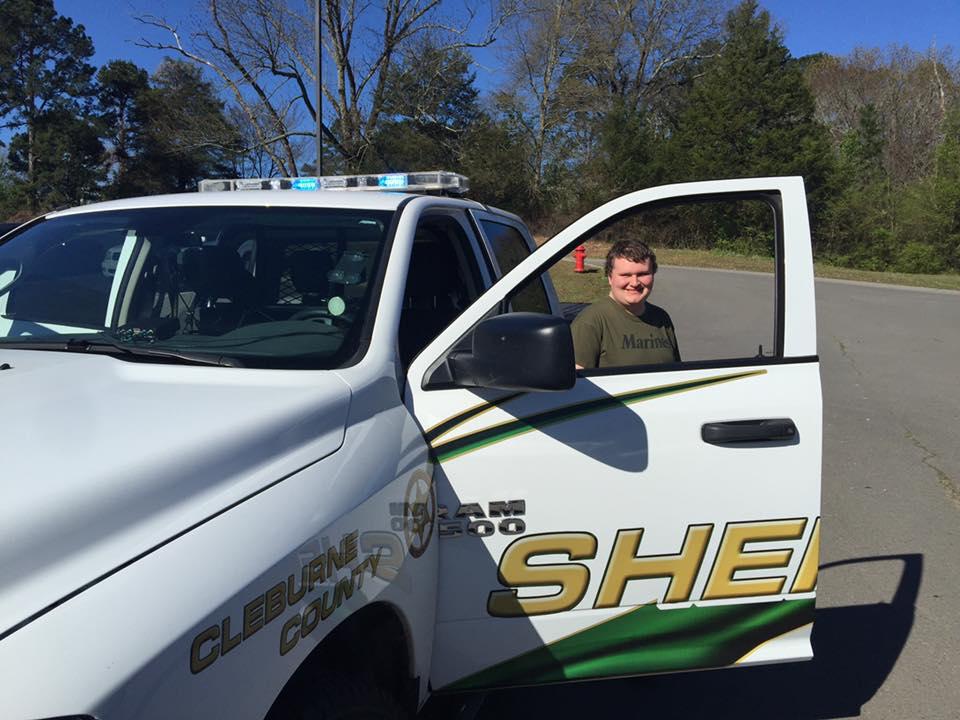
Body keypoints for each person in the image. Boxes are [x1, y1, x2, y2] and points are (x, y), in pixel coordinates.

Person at [571, 239, 680, 369]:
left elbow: (677, 373)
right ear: (610, 278)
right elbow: (577, 383)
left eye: (643, 274)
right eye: (626, 275)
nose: (634, 282)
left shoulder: (661, 318)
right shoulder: (590, 322)